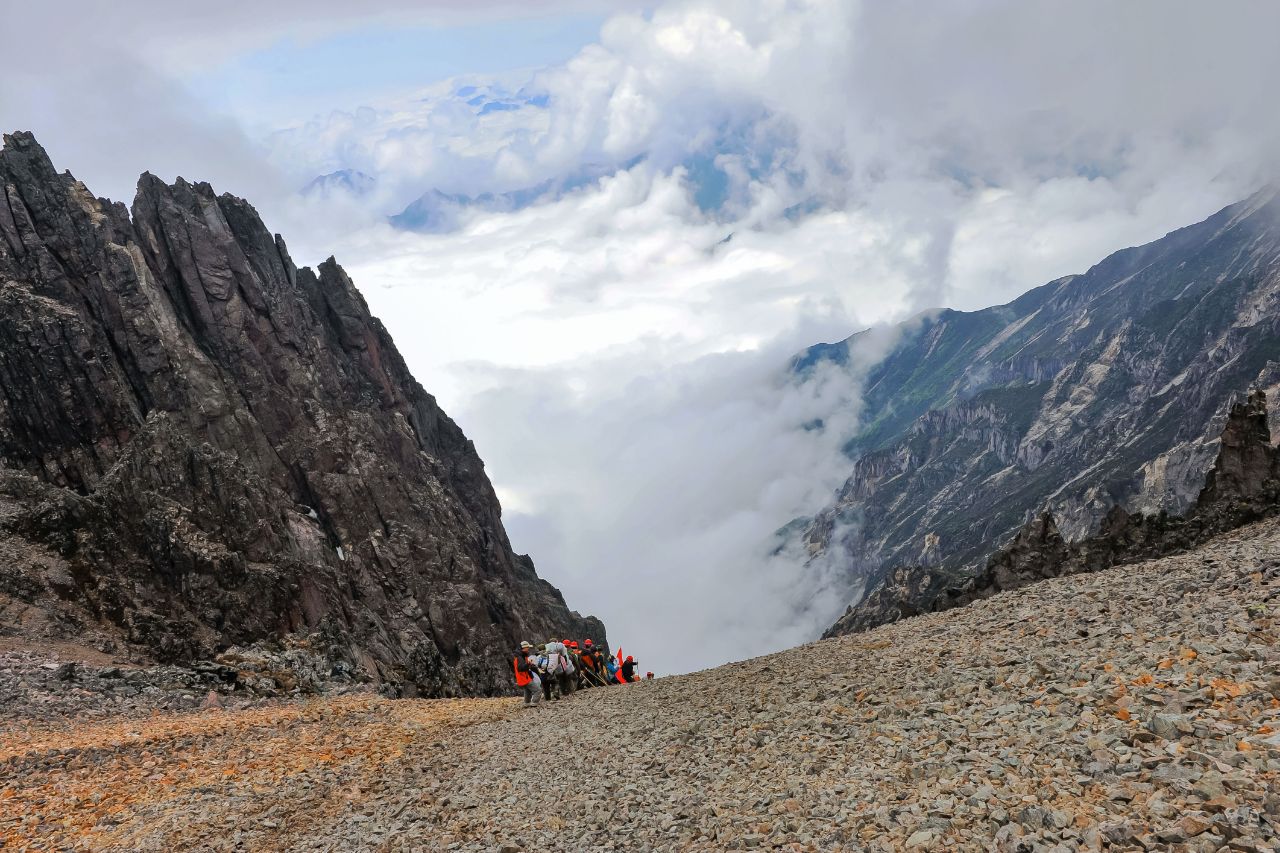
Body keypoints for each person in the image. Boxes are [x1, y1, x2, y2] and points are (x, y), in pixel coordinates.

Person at [513, 641, 541, 707]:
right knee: (538, 690)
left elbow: (523, 667)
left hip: (523, 677)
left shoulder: (520, 656)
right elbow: (520, 668)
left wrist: (529, 665)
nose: (528, 649)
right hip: (524, 677)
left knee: (527, 690)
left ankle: (527, 703)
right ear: (524, 648)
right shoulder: (520, 657)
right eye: (527, 647)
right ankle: (534, 703)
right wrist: (528, 664)